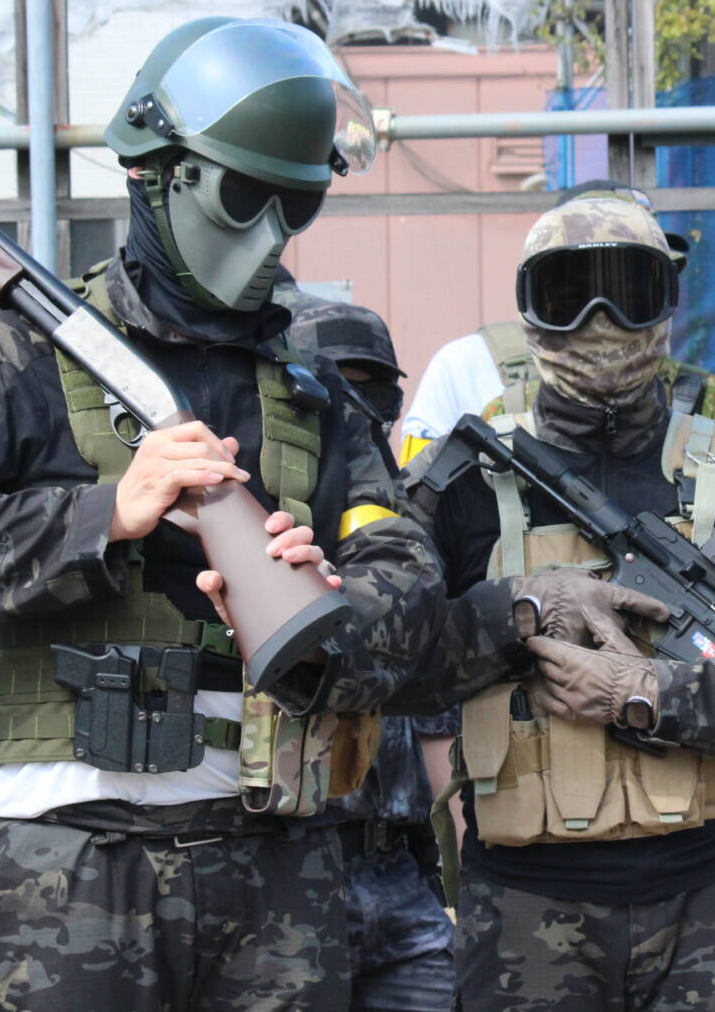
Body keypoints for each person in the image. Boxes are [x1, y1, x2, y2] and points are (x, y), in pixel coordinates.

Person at [0, 17, 655, 1012]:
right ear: (156, 173)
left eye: (295, 203)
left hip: (278, 861)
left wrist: (325, 602)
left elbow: (409, 593)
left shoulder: (313, 395)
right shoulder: (16, 362)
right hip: (66, 869)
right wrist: (101, 516)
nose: (271, 234)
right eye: (243, 197)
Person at [407, 197, 715, 1011]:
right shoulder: (460, 480)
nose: (600, 321)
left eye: (628, 293)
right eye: (569, 295)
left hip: (708, 898)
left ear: (665, 303)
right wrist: (521, 609)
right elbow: (391, 662)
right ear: (530, 311)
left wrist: (650, 693)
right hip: (524, 906)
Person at [284, 295, 457, 1012]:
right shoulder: (271, 516)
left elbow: (441, 730)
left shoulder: (412, 529)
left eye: (370, 386)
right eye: (337, 384)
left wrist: (456, 886)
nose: (356, 405)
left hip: (399, 867)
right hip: (292, 866)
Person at [398, 181, 715, 465]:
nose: (603, 317)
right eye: (577, 294)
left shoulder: (712, 402)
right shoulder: (500, 406)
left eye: (632, 291)